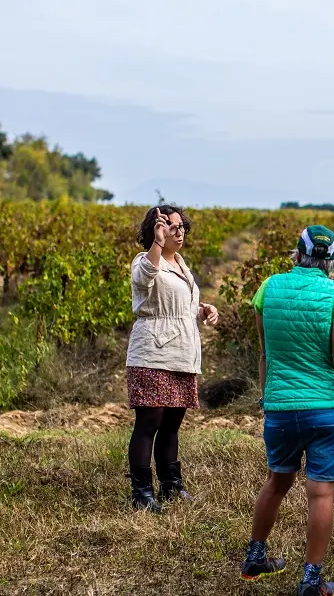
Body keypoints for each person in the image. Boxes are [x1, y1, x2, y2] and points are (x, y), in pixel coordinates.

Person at [240, 225, 334, 596]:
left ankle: (255, 558)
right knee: (321, 493)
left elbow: (265, 354)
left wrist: (267, 397)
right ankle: (311, 580)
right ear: (332, 261)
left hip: (280, 406)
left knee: (277, 481)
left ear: (297, 254)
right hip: (327, 409)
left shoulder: (268, 288)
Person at [126, 206, 219, 512]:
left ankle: (171, 486)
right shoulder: (144, 260)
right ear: (156, 230)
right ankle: (142, 493)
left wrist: (203, 309)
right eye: (171, 227)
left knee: (172, 423)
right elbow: (145, 280)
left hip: (182, 354)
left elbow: (179, 305)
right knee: (149, 422)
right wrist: (156, 242)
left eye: (181, 227)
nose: (178, 233)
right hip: (152, 353)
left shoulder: (181, 263)